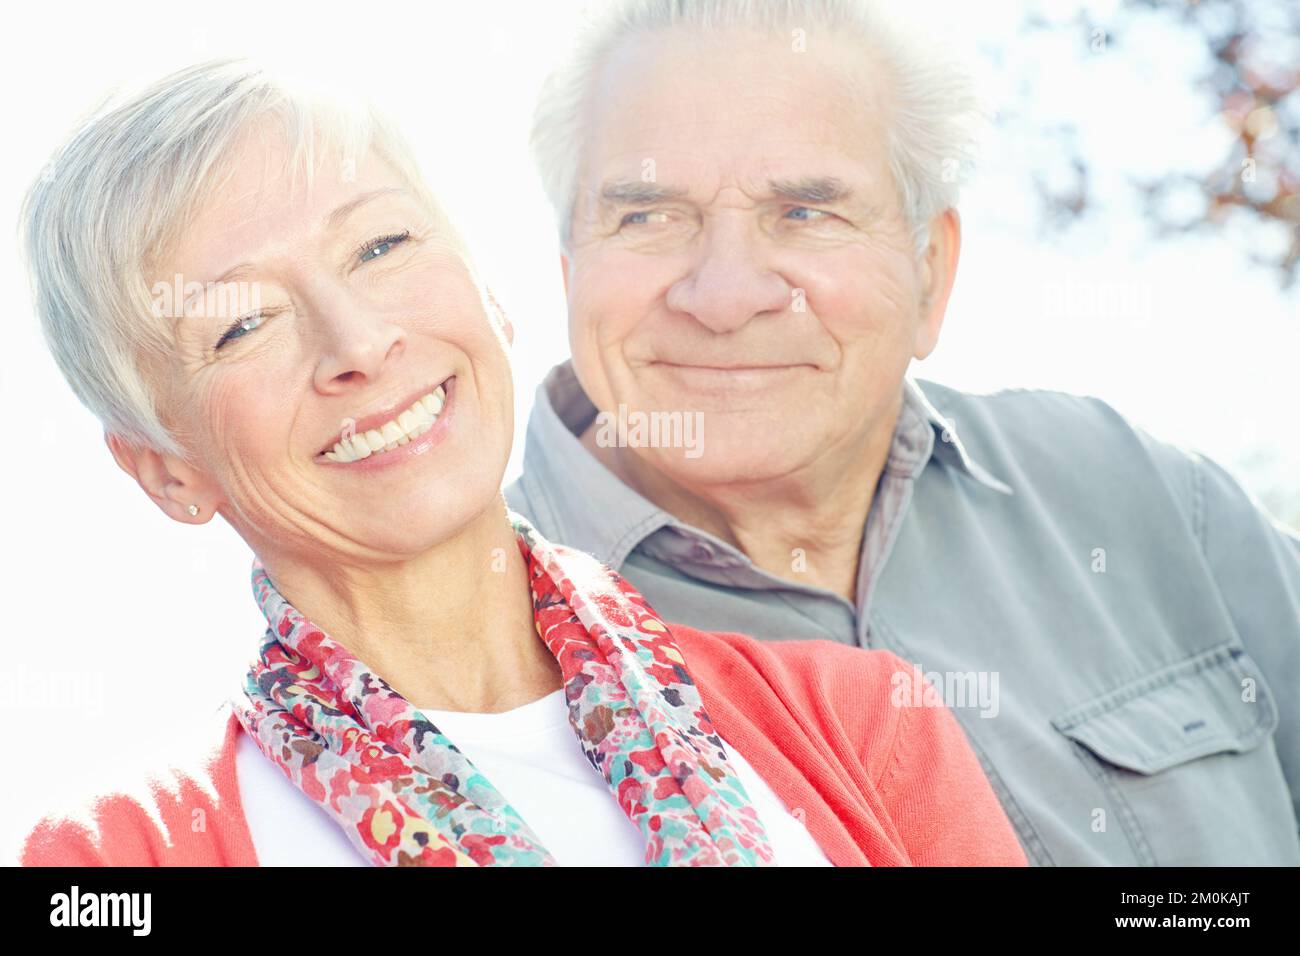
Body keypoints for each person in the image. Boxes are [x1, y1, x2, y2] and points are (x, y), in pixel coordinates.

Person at [16, 57, 1025, 867]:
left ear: (490, 292)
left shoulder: (852, 719)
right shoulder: (118, 858)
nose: (358, 342)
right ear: (164, 469)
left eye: (379, 247)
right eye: (242, 324)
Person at [505, 0, 1300, 865]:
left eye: (804, 212)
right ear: (570, 273)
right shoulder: (468, 640)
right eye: (648, 216)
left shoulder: (1133, 490)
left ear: (931, 271)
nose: (726, 295)